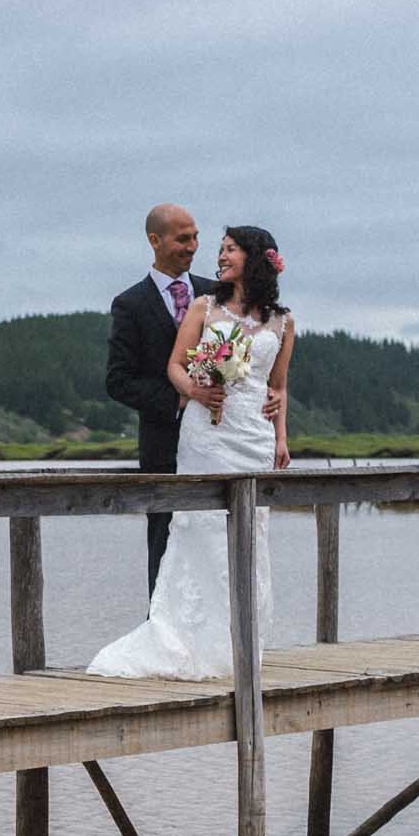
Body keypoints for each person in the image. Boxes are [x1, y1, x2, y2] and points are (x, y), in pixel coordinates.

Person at [89, 225, 297, 679]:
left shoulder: (281, 320)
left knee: (252, 531)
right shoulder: (204, 306)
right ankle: (187, 638)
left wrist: (281, 434)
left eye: (228, 249)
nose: (215, 255)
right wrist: (194, 393)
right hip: (205, 434)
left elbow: (277, 385)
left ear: (256, 259)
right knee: (197, 530)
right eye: (215, 247)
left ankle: (242, 642)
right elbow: (173, 365)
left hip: (253, 438)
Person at [104, 204, 222, 591]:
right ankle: (162, 636)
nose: (193, 246)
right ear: (155, 241)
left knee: (217, 541)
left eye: (196, 237)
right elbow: (118, 381)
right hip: (163, 447)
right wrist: (180, 400)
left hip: (219, 443)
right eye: (183, 239)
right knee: (165, 543)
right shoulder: (130, 304)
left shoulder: (217, 295)